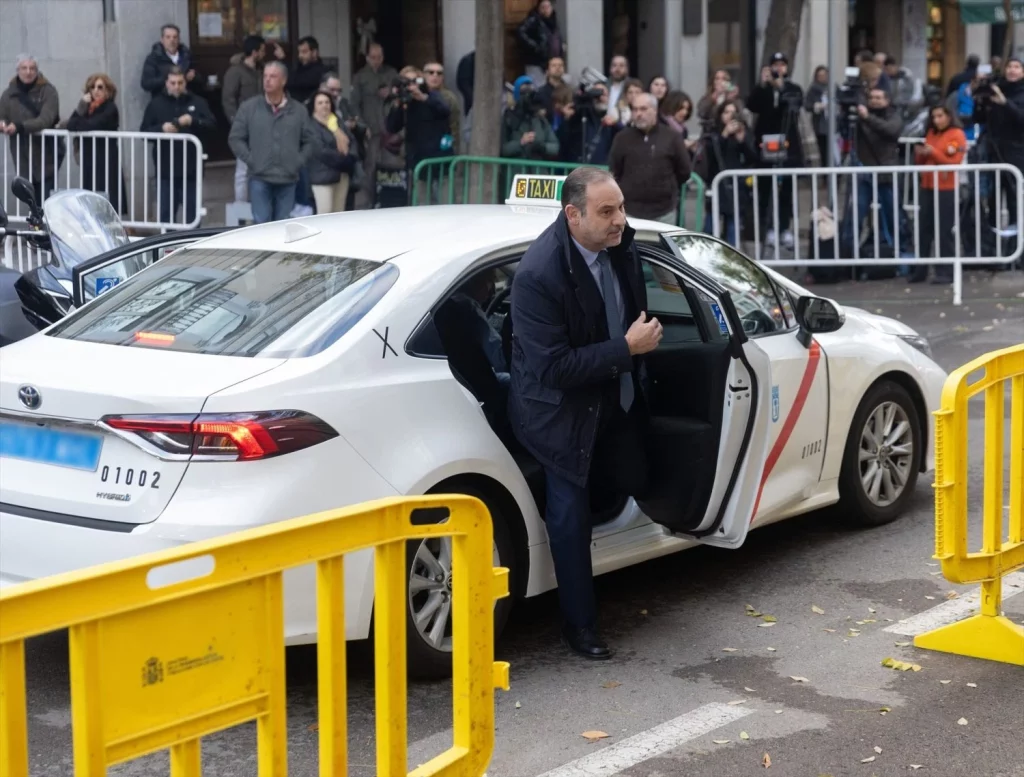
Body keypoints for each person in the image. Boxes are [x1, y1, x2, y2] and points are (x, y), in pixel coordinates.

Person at [508, 166, 663, 659]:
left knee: (640, 471)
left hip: (612, 397)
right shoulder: (539, 274)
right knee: (569, 514)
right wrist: (626, 349)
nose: (620, 219)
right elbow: (552, 368)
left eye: (620, 207)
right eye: (607, 211)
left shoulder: (618, 245)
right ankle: (580, 627)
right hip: (558, 413)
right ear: (572, 215)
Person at [228, 61, 317, 223]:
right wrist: (251, 159)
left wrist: (298, 161)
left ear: (283, 81)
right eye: (265, 76)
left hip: (288, 177)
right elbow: (235, 138)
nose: (267, 80)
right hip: (259, 176)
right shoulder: (249, 108)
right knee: (261, 225)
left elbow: (310, 141)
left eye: (273, 76)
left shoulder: (298, 110)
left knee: (283, 226)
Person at [140, 67, 214, 225]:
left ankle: (193, 246)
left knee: (193, 216)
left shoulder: (198, 102)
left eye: (180, 82)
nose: (176, 86)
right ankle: (168, 248)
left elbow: (212, 126)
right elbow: (143, 132)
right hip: (166, 169)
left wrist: (193, 121)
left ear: (185, 83)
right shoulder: (156, 104)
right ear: (166, 83)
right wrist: (161, 129)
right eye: (173, 83)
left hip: (192, 169)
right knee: (166, 215)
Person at [747, 52, 804, 249]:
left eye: (782, 65)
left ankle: (784, 229)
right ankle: (768, 228)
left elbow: (796, 105)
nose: (778, 69)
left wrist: (781, 87)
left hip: (787, 143)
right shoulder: (762, 90)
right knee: (765, 189)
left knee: (786, 190)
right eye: (775, 65)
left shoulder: (793, 88)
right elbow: (751, 105)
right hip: (766, 143)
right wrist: (763, 85)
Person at [609, 93, 691, 224]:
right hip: (630, 211)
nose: (638, 114)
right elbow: (615, 170)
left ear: (655, 110)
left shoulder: (672, 137)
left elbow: (684, 171)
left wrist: (667, 188)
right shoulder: (622, 138)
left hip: (664, 212)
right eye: (635, 109)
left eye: (643, 109)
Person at [840, 86, 903, 253]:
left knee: (893, 215)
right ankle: (848, 253)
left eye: (878, 97)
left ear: (887, 100)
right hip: (864, 171)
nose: (874, 100)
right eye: (872, 97)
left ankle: (900, 250)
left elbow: (891, 130)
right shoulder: (860, 116)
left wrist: (867, 117)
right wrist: (846, 114)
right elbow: (845, 133)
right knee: (856, 214)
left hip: (885, 173)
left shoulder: (893, 115)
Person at [911, 105, 966, 284]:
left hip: (946, 188)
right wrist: (919, 154)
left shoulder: (957, 134)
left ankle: (945, 272)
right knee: (924, 229)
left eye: (940, 116)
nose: (936, 120)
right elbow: (923, 161)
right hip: (927, 185)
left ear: (949, 116)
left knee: (944, 230)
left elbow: (954, 162)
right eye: (934, 117)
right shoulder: (931, 133)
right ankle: (921, 270)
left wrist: (932, 152)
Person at [0, 55, 61, 204]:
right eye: (24, 68)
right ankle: (35, 224)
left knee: (46, 197)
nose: (28, 72)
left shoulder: (48, 91)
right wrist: (2, 124)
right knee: (30, 198)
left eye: (32, 68)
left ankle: (44, 225)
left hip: (46, 153)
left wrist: (20, 126)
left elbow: (46, 119)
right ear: (17, 70)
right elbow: (2, 115)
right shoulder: (8, 95)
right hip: (22, 154)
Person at [973, 56, 1024, 231]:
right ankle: (992, 238)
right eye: (1009, 66)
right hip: (993, 149)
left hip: (1016, 151)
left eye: (1017, 67)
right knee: (993, 196)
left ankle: (1015, 240)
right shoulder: (997, 88)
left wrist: (1005, 103)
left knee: (1014, 196)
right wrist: (979, 99)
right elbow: (978, 118)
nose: (1012, 70)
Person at [699, 100, 757, 246]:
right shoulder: (713, 133)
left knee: (733, 226)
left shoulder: (743, 131)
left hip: (736, 185)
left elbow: (753, 157)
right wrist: (724, 135)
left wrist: (742, 140)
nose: (730, 116)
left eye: (733, 112)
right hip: (718, 183)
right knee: (710, 225)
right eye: (726, 112)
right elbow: (712, 154)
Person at [66, 73, 125, 213]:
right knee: (90, 194)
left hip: (105, 157)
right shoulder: (87, 107)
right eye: (92, 87)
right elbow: (71, 125)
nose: (96, 91)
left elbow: (90, 125)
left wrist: (80, 123)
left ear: (107, 90)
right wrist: (81, 107)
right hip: (90, 157)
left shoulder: (110, 107)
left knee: (107, 193)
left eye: (100, 87)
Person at [351, 43, 398, 207]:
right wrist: (362, 126)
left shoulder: (391, 73)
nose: (376, 61)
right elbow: (354, 104)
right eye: (373, 57)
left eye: (379, 57)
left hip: (390, 128)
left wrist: (391, 93)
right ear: (367, 58)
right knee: (370, 167)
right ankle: (370, 202)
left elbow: (401, 93)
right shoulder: (360, 77)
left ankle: (390, 199)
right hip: (371, 128)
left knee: (392, 164)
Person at [307, 90, 355, 215]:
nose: (324, 105)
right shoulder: (310, 125)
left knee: (338, 214)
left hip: (341, 175)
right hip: (322, 176)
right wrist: (344, 160)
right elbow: (320, 151)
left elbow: (350, 140)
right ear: (314, 106)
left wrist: (349, 158)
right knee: (325, 213)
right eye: (320, 103)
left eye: (327, 102)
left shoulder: (336, 121)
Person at [501, 77, 559, 160]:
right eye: (524, 90)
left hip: (537, 170)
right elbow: (503, 149)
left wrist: (542, 147)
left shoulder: (540, 120)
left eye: (530, 88)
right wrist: (521, 143)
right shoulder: (509, 119)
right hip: (517, 170)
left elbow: (555, 147)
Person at [141, 24, 198, 98]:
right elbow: (146, 84)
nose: (172, 40)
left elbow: (199, 79)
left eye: (175, 37)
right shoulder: (153, 58)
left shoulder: (186, 55)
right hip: (162, 101)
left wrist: (192, 77)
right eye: (168, 37)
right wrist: (168, 79)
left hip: (185, 100)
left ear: (179, 39)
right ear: (162, 40)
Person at [517, 0, 564, 86]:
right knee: (538, 87)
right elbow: (521, 32)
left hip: (550, 62)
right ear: (539, 9)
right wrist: (535, 46)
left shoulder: (553, 21)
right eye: (543, 7)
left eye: (548, 7)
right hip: (536, 62)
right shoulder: (534, 20)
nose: (546, 10)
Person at [289, 36, 329, 104]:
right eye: (299, 52)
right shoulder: (299, 67)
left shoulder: (320, 71)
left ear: (314, 52)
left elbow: (298, 82)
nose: (300, 56)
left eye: (304, 52)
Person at [804, 65, 831, 165]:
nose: (822, 77)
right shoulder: (813, 89)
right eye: (820, 75)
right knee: (823, 149)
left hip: (833, 124)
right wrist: (817, 106)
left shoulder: (833, 87)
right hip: (820, 124)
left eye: (824, 75)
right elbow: (807, 105)